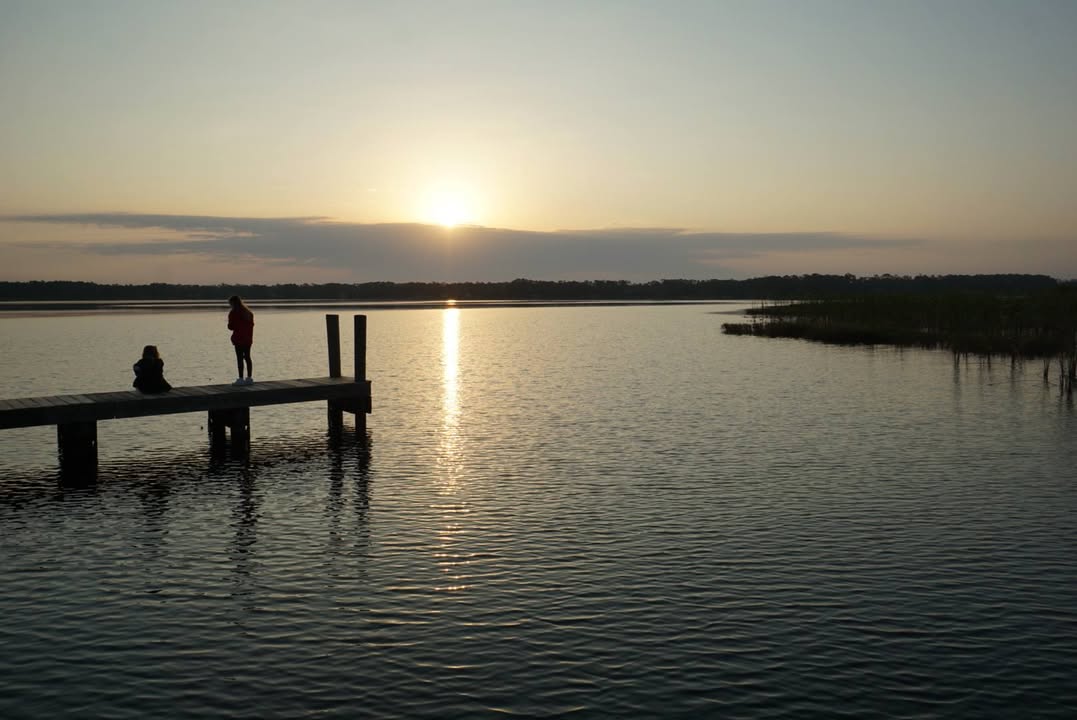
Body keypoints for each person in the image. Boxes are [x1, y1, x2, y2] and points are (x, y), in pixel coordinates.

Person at [228, 295, 255, 385]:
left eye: (230, 304)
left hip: (239, 339)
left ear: (233, 303)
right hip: (248, 339)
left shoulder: (233, 313)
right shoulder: (249, 313)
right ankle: (249, 378)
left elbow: (231, 327)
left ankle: (240, 379)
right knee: (247, 357)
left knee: (239, 359)